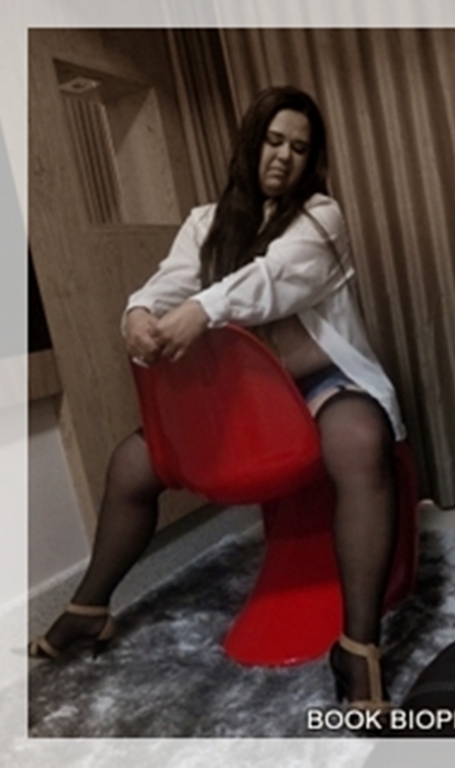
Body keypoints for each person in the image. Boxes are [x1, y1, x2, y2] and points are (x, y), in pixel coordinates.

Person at [29, 86, 406, 716]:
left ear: (311, 160)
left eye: (299, 148)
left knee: (360, 438)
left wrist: (202, 309)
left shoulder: (320, 217)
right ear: (251, 141)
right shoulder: (205, 223)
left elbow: (273, 281)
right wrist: (137, 313)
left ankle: (358, 646)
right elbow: (165, 283)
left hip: (318, 384)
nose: (283, 156)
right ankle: (90, 606)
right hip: (242, 400)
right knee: (133, 463)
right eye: (273, 140)